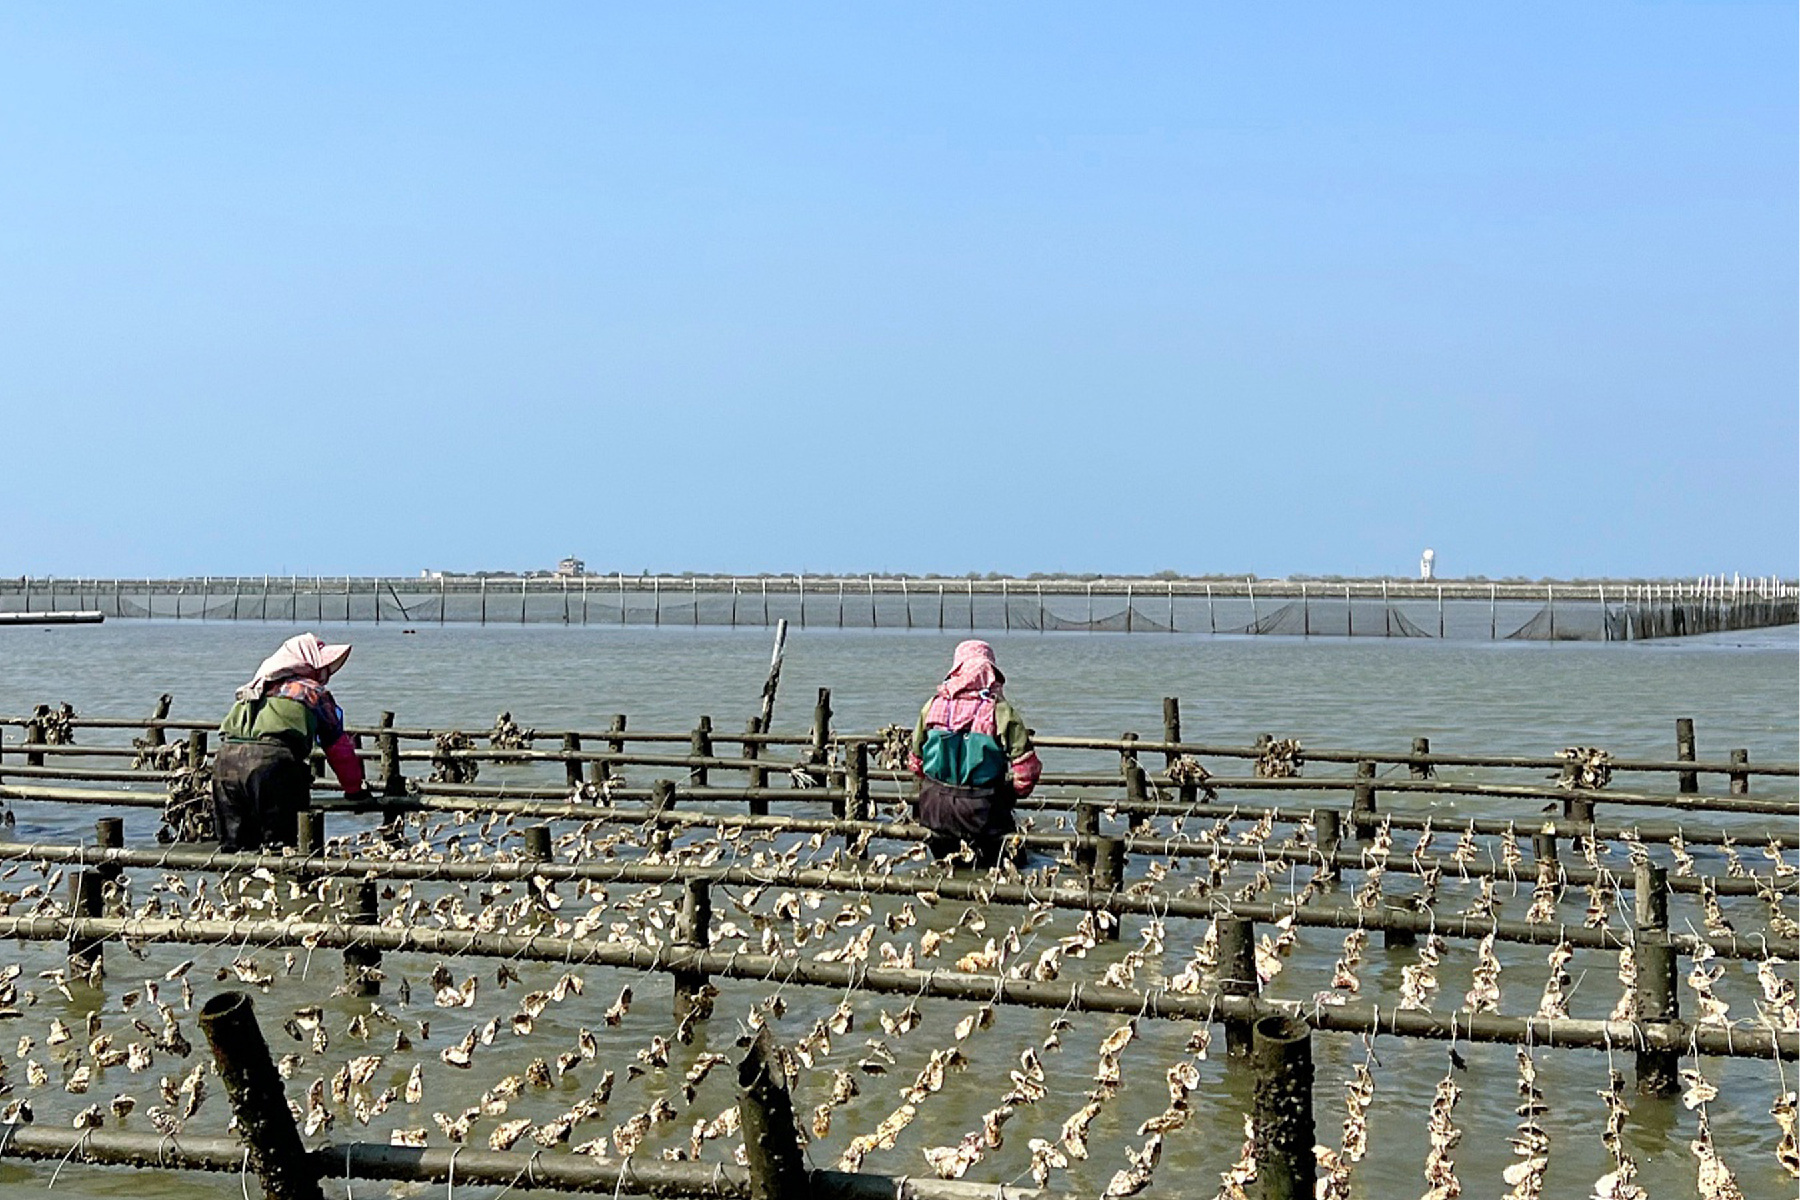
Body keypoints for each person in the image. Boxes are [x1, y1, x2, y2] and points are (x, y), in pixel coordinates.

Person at [213, 633, 368, 850]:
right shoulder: (312, 692)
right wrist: (354, 789)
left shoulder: (254, 688)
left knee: (235, 846)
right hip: (273, 766)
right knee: (284, 847)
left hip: (225, 765)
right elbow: (337, 747)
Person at [907, 640, 1041, 865]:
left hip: (933, 809)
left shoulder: (932, 706)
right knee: (1007, 866)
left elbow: (916, 763)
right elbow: (1027, 771)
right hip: (982, 811)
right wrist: (1009, 795)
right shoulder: (1000, 711)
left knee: (949, 867)